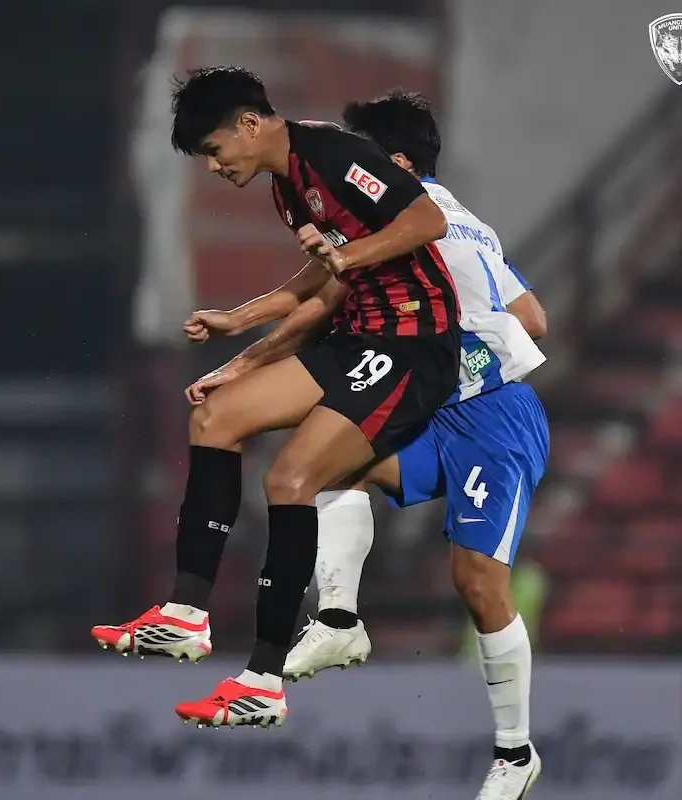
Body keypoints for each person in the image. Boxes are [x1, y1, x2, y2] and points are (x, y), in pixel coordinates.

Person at [183, 91, 548, 799]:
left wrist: (240, 359)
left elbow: (527, 321)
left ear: (397, 164)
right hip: (437, 403)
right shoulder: (448, 226)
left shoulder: (423, 229)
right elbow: (529, 313)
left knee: (477, 585)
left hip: (494, 420)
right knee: (323, 459)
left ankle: (515, 752)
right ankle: (340, 617)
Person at [91, 69, 461, 728]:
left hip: (412, 340)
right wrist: (240, 326)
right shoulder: (289, 185)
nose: (214, 165)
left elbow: (425, 219)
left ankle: (263, 676)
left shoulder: (333, 155)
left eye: (213, 149)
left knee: (288, 477)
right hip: (357, 339)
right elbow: (323, 279)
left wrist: (350, 259)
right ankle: (186, 614)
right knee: (216, 415)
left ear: (250, 123)